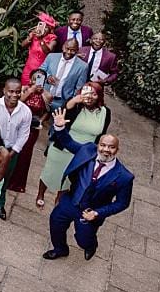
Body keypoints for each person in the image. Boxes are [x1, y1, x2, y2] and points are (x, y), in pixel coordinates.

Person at [41, 110, 133, 262]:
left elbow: (122, 203)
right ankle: (60, 249)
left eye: (111, 147)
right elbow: (69, 143)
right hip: (71, 200)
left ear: (117, 150)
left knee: (83, 240)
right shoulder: (87, 150)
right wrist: (59, 127)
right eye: (103, 145)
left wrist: (97, 213)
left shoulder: (124, 176)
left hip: (90, 212)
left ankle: (91, 245)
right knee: (56, 223)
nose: (106, 150)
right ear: (98, 145)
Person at [38, 82, 111, 205]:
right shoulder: (76, 106)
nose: (90, 97)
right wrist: (74, 101)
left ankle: (59, 200)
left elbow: (102, 134)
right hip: (63, 148)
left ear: (99, 96)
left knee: (68, 180)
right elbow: (63, 113)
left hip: (82, 152)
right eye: (88, 93)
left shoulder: (105, 112)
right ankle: (41, 194)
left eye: (94, 94)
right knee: (50, 172)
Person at [0, 78, 33, 222]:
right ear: (4, 91)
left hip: (11, 150)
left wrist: (11, 154)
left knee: (4, 178)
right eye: (11, 91)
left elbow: (24, 135)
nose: (14, 95)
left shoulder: (25, 112)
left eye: (18, 92)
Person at [39, 36, 88, 115]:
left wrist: (70, 102)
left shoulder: (83, 66)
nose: (68, 52)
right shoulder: (51, 56)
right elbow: (40, 72)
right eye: (67, 48)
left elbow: (79, 88)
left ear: (77, 51)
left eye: (72, 50)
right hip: (44, 96)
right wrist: (47, 77)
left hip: (61, 102)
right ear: (63, 47)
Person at [20, 12, 57, 85]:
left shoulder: (52, 39)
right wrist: (29, 38)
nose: (43, 28)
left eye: (46, 27)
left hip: (41, 70)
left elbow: (47, 51)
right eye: (42, 25)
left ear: (50, 30)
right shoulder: (34, 35)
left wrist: (41, 40)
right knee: (25, 88)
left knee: (37, 89)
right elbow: (22, 46)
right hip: (28, 68)